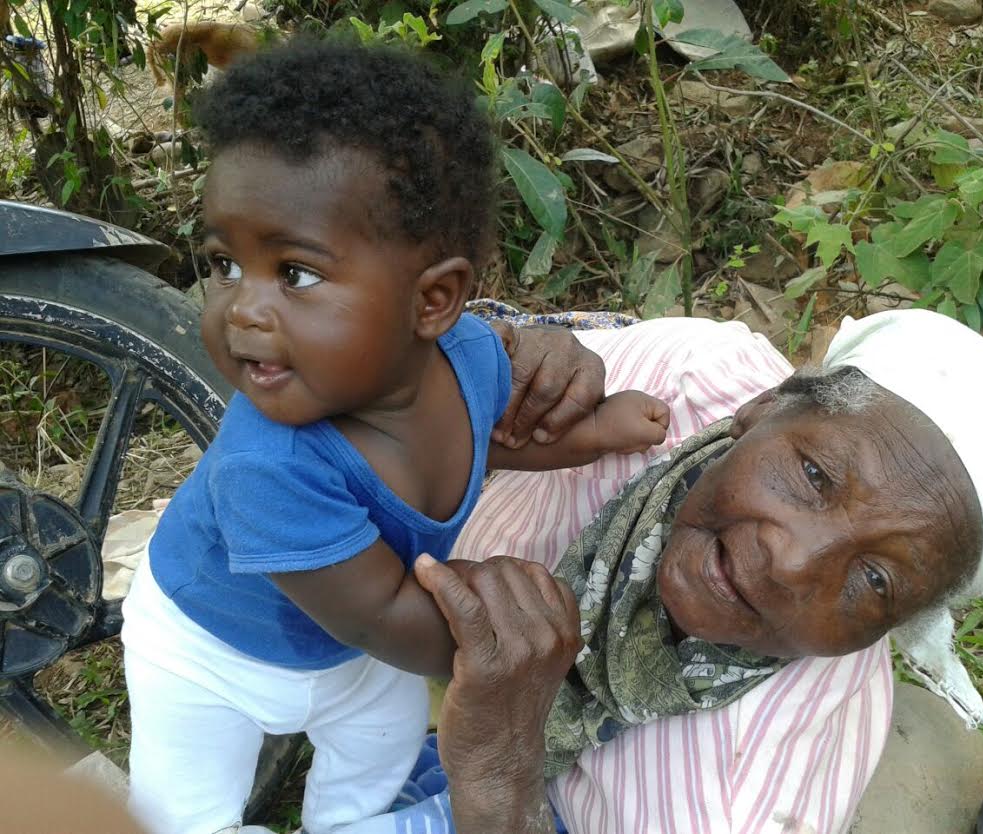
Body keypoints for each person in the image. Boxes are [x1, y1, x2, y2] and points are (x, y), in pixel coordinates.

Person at [120, 40, 670, 834]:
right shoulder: (266, 465)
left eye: (295, 273)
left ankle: (347, 821)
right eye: (222, 263)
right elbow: (378, 614)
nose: (241, 309)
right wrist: (516, 655)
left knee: (374, 751)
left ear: (434, 301)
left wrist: (591, 435)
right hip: (210, 657)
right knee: (180, 813)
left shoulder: (472, 354)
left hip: (347, 654)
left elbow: (489, 438)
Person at [407, 306, 983, 834]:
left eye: (876, 581)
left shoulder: (743, 798)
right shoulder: (686, 377)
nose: (795, 561)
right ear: (765, 406)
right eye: (813, 476)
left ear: (894, 627)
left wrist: (498, 777)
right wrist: (514, 369)